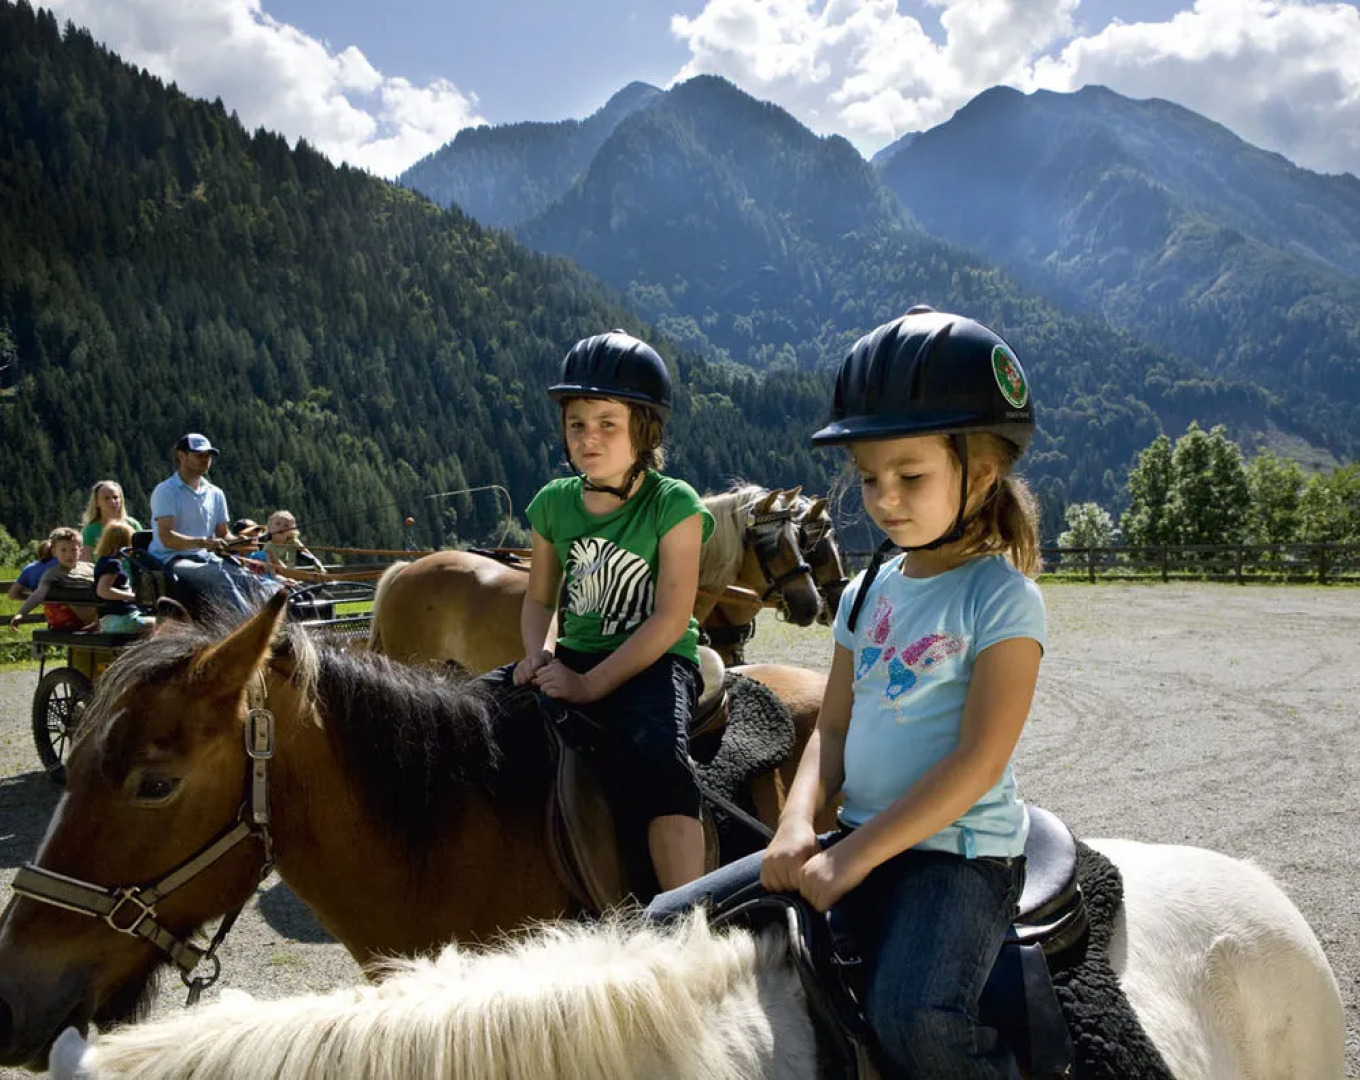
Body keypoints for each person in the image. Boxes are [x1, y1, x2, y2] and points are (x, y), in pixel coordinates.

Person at [760, 306, 1044, 1079]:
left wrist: (851, 858)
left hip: (958, 858)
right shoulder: (866, 591)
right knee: (690, 925)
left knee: (914, 1016)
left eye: (910, 476)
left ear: (980, 474)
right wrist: (794, 822)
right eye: (868, 478)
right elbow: (834, 728)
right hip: (855, 834)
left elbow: (979, 762)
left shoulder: (1002, 598)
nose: (884, 497)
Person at [479, 330, 714, 892]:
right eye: (577, 423)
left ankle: (688, 914)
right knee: (472, 715)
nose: (589, 438)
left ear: (644, 428)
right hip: (575, 652)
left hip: (656, 660)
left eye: (607, 423)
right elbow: (540, 598)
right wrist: (537, 655)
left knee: (659, 759)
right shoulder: (553, 503)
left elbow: (669, 618)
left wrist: (589, 687)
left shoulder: (674, 504)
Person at [147, 433, 278, 615]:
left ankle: (274, 620)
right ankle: (247, 625)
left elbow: (223, 534)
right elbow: (167, 538)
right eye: (199, 455)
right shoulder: (166, 491)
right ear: (181, 456)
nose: (205, 460)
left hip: (206, 558)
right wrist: (201, 542)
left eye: (208, 456)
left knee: (250, 580)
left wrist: (240, 541)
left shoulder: (216, 493)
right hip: (172, 559)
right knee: (218, 576)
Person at [8, 527, 97, 632]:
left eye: (73, 550)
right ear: (54, 552)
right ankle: (97, 623)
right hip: (69, 620)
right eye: (63, 550)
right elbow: (38, 594)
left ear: (81, 550)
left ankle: (99, 622)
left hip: (94, 612)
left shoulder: (91, 568)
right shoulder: (53, 573)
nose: (69, 554)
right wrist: (21, 614)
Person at [92, 521, 153, 634]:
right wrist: (135, 597)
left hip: (109, 621)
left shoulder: (102, 561)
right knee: (164, 624)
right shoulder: (113, 563)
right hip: (122, 619)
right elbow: (103, 590)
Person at [79, 480, 143, 560]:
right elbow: (86, 562)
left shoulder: (133, 525)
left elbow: (143, 553)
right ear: (97, 502)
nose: (112, 501)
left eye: (115, 497)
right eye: (106, 498)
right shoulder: (90, 531)